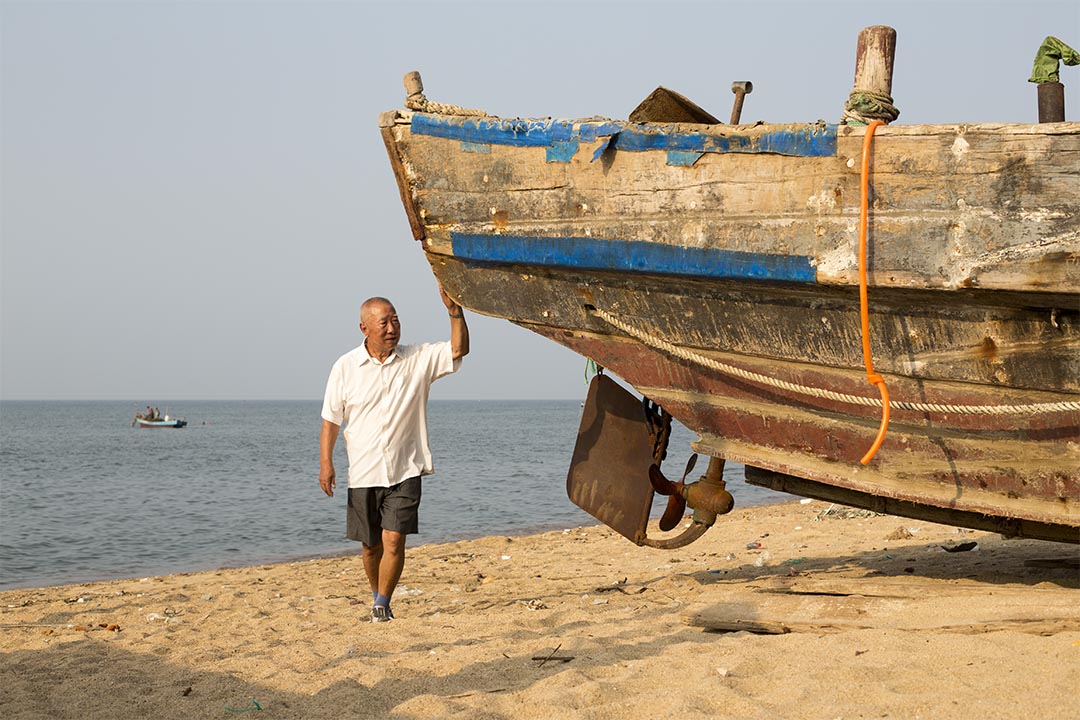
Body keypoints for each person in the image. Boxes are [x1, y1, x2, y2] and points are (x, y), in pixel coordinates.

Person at [319, 286, 469, 623]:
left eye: (396, 320)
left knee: (394, 539)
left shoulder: (418, 359)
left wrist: (454, 312)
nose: (392, 328)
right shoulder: (345, 367)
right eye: (384, 323)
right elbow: (331, 419)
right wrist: (326, 463)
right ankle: (377, 596)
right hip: (362, 472)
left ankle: (382, 603)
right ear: (365, 329)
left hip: (406, 469)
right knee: (370, 546)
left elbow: (459, 348)